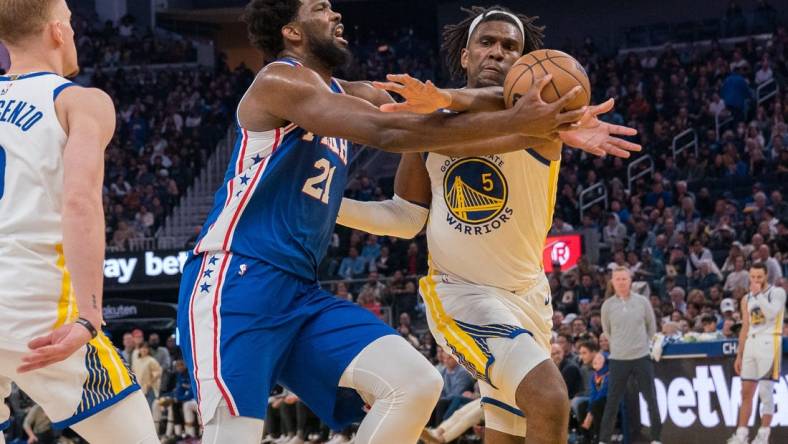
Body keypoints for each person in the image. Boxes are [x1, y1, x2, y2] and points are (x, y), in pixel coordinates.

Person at [177, 1, 589, 443]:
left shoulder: (349, 90)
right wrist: (519, 121)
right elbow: (388, 133)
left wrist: (557, 118)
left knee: (414, 384)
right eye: (320, 8)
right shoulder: (280, 80)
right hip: (237, 281)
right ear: (293, 32)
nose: (336, 14)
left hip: (300, 292)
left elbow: (431, 113)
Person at [336, 5, 640, 443]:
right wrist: (331, 206)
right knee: (550, 399)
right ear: (465, 54)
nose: (498, 52)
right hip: (462, 294)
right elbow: (406, 218)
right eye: (487, 42)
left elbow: (485, 112)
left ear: (526, 65)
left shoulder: (543, 118)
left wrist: (446, 100)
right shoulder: (426, 126)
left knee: (508, 434)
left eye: (510, 47)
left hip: (530, 297)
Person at [0, 1, 157, 443]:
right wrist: (89, 316)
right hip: (37, 306)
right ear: (56, 32)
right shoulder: (78, 100)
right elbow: (81, 202)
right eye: (70, 22)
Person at [599, 267, 661, 444]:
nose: (621, 282)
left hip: (641, 356)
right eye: (617, 279)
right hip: (618, 359)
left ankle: (656, 438)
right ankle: (604, 440)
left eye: (624, 279)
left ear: (630, 281)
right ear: (612, 282)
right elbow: (607, 331)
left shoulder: (642, 302)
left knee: (650, 398)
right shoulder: (607, 306)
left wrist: (640, 345)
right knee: (612, 402)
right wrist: (620, 346)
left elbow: (651, 328)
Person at [727, 263, 786, 444]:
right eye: (753, 277)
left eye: (759, 277)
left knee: (765, 392)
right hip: (751, 343)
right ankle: (742, 434)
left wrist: (758, 294)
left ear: (766, 275)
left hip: (770, 342)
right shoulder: (746, 299)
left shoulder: (777, 292)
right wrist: (739, 354)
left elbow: (771, 314)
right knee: (745, 392)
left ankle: (763, 434)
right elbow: (745, 326)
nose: (756, 280)